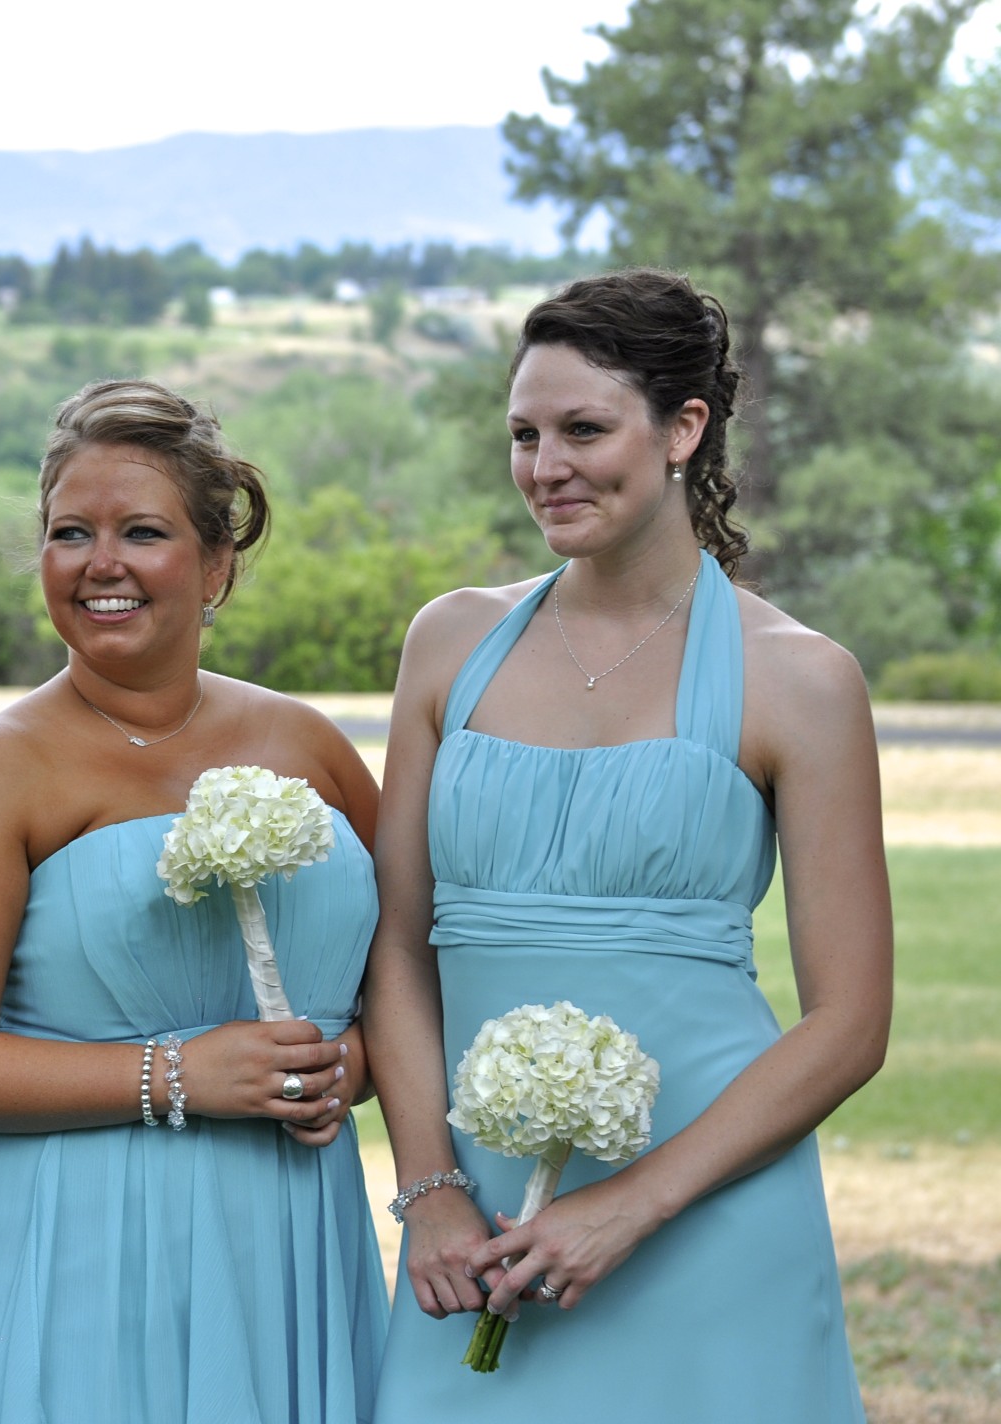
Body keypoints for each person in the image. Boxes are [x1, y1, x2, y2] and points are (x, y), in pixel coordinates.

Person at [364, 269, 886, 1420]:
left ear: (681, 429)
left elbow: (848, 1022)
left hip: (706, 1217)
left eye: (582, 430)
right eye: (523, 434)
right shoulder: (448, 642)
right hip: (475, 1231)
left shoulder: (800, 679)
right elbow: (394, 948)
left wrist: (631, 1202)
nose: (543, 465)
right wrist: (429, 1188)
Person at [0, 379, 387, 1422]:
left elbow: (404, 991)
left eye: (142, 532)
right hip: (72, 1248)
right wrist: (177, 1075)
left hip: (285, 1238)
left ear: (217, 563)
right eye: (69, 532)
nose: (99, 562)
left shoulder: (309, 746)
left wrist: (349, 1065)